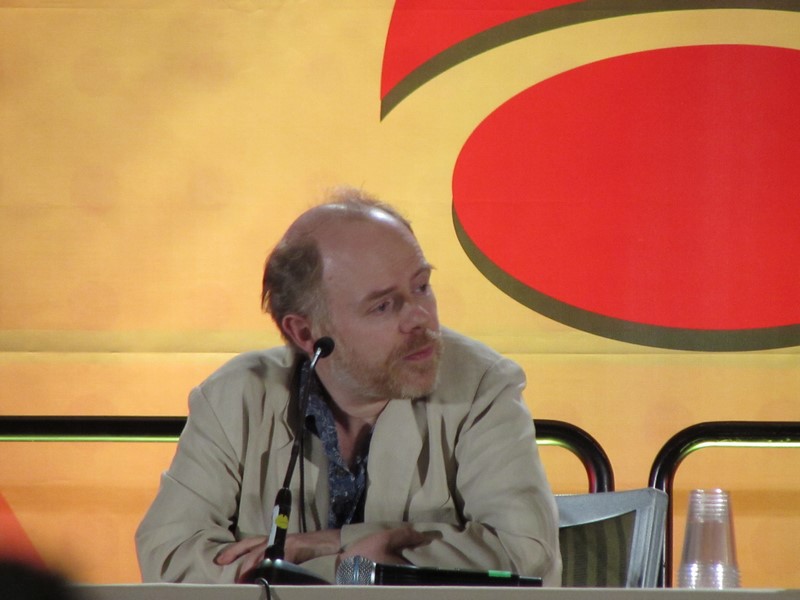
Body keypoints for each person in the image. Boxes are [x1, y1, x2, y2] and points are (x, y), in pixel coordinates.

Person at [135, 186, 561, 585]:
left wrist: (325, 546)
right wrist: (358, 563)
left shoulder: (482, 385)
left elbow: (525, 556)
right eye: (383, 306)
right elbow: (168, 557)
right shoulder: (235, 397)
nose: (420, 318)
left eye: (422, 286)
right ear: (306, 333)